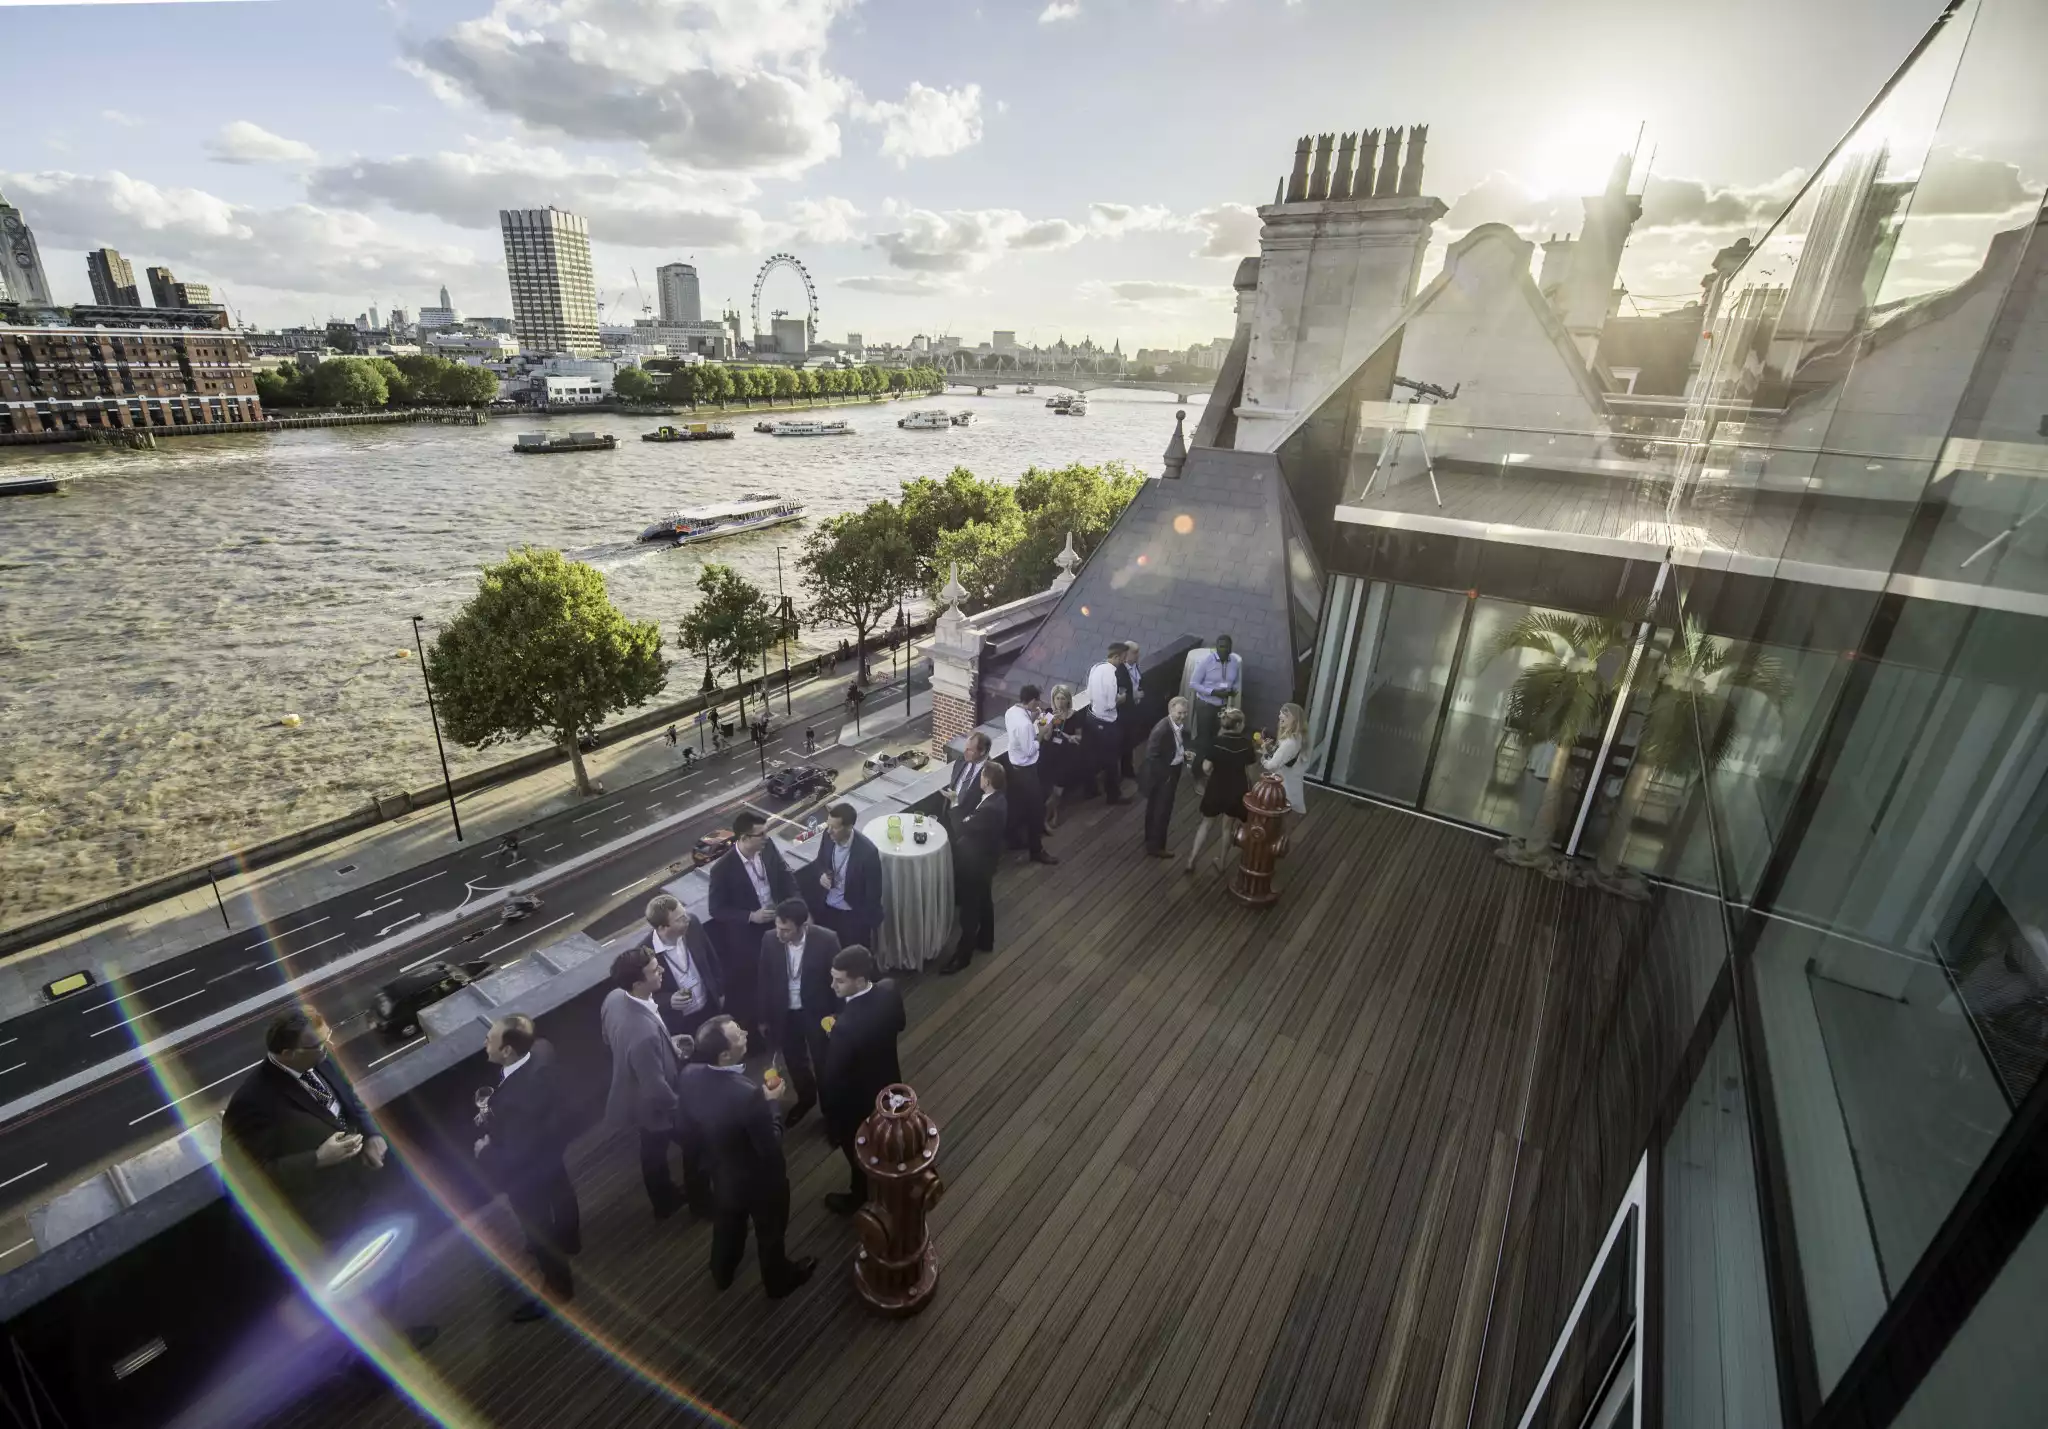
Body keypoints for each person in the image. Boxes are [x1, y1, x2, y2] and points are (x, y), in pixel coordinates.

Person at [221, 1012, 436, 1348]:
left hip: (361, 1190)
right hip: (323, 1215)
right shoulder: (251, 1102)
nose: (330, 1046)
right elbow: (247, 1176)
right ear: (288, 1054)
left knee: (384, 1269)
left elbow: (351, 1101)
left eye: (328, 1036)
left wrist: (372, 1135)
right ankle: (366, 1362)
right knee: (352, 1292)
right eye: (319, 1043)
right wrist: (317, 1159)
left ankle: (388, 1341)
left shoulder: (320, 1060)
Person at [678, 1017, 818, 1300]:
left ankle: (721, 1271)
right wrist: (772, 1103)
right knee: (770, 1232)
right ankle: (778, 1282)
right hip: (760, 1181)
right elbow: (771, 1144)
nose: (745, 1033)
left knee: (728, 1223)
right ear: (724, 1055)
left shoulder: (689, 1073)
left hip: (723, 1170)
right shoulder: (747, 1096)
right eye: (738, 1035)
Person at [473, 1015, 581, 1322]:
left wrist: (486, 1150)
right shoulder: (542, 1051)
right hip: (550, 1147)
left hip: (528, 1172)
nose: (485, 1044)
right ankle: (571, 1239)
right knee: (561, 1190)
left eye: (490, 1040)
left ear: (507, 1051)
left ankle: (559, 1290)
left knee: (538, 1230)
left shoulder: (515, 1097)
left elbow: (516, 1153)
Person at [600, 946, 709, 1220]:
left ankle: (664, 1201)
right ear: (638, 983)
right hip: (655, 1105)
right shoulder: (644, 1034)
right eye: (654, 969)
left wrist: (664, 1049)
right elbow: (656, 1087)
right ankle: (701, 1203)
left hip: (632, 1097)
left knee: (652, 1149)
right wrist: (681, 1113)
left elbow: (609, 1039)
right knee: (697, 1145)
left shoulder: (613, 999)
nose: (661, 970)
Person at [819, 947, 905, 1215]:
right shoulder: (889, 990)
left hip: (855, 1103)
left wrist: (832, 1122)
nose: (832, 985)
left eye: (839, 980)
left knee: (858, 1151)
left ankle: (861, 1195)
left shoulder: (844, 1028)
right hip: (888, 1084)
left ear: (858, 980)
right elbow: (900, 1024)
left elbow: (833, 1078)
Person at [753, 897, 842, 1128]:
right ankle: (806, 1098)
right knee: (794, 1062)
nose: (780, 934)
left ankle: (831, 1113)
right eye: (777, 927)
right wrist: (763, 1017)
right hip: (784, 1014)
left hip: (817, 1013)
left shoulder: (827, 939)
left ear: (803, 926)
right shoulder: (769, 939)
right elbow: (763, 979)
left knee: (823, 1064)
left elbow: (837, 980)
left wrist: (837, 1015)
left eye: (786, 930)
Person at [706, 810, 795, 1032]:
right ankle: (765, 1024)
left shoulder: (768, 848)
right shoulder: (722, 869)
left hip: (778, 922)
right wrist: (750, 917)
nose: (766, 836)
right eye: (761, 834)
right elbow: (716, 909)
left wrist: (797, 908)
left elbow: (785, 875)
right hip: (750, 937)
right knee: (760, 981)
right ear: (744, 838)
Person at [938, 763, 1008, 974]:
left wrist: (954, 804)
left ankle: (963, 956)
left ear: (986, 781)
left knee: (969, 912)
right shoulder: (999, 799)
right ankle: (986, 940)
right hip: (987, 862)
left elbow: (961, 828)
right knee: (984, 900)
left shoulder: (989, 808)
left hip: (976, 865)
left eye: (982, 777)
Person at [1186, 706, 1256, 875]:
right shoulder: (1246, 745)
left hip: (1217, 786)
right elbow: (1251, 772)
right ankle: (1222, 862)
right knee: (1227, 827)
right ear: (1238, 725)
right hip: (1236, 789)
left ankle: (1191, 860)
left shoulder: (1216, 742)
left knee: (1206, 823)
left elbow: (1206, 767)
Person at [806, 802, 884, 951]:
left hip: (852, 914)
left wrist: (864, 920)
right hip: (826, 907)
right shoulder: (827, 836)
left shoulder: (868, 853)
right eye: (828, 825)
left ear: (849, 827)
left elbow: (873, 893)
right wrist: (821, 874)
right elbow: (820, 862)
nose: (829, 831)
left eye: (834, 828)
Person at [643, 893, 722, 1039]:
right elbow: (644, 995)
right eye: (680, 919)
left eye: (684, 914)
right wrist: (669, 1001)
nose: (688, 919)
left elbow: (711, 958)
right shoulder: (644, 953)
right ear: (662, 928)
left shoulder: (693, 925)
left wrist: (720, 992)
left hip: (710, 1007)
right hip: (682, 1023)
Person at [1002, 685, 1058, 865]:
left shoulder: (1011, 712)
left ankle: (1015, 841)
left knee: (1017, 808)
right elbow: (1030, 750)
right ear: (1032, 700)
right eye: (1037, 701)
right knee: (1036, 811)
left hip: (1013, 768)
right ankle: (1036, 850)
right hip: (1026, 771)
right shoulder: (1026, 725)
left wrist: (1034, 719)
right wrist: (1041, 733)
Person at [1139, 697, 1191, 859]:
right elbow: (1151, 755)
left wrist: (1182, 754)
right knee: (1162, 810)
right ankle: (1156, 846)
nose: (1182, 716)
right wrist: (1165, 776)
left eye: (1184, 713)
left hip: (1168, 769)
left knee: (1155, 808)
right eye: (1179, 713)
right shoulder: (1162, 729)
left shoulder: (1174, 725)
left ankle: (1150, 839)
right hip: (1165, 775)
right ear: (1170, 711)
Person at [1084, 643, 1131, 804]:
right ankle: (1113, 795)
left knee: (1094, 758)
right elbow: (1111, 703)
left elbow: (1089, 693)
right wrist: (1122, 698)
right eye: (1124, 658)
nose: (1124, 661)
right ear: (1117, 657)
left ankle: (1091, 790)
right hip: (1107, 723)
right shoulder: (1112, 675)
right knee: (1111, 761)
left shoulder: (1096, 667)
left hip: (1092, 718)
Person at [1188, 635, 1242, 771]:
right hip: (1206, 705)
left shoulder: (1235, 662)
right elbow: (1193, 683)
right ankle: (1196, 771)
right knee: (1204, 740)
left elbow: (1236, 682)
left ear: (1231, 648)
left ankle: (1209, 766)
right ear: (1216, 647)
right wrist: (1213, 692)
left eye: (1226, 647)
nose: (1223, 649)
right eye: (1220, 646)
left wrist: (1232, 691)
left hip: (1222, 706)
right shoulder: (1206, 662)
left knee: (1217, 737)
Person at [1260, 702, 1312, 836]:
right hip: (1291, 781)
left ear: (1294, 719)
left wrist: (1265, 753)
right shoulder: (1298, 737)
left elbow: (1272, 765)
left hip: (1283, 785)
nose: (1280, 715)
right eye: (1280, 713)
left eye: (1285, 714)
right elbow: (1286, 758)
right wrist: (1273, 751)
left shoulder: (1289, 743)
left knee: (1277, 819)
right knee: (1283, 818)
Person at [943, 730, 991, 826]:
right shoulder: (961, 760)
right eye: (965, 748)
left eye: (970, 750)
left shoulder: (991, 772)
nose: (965, 752)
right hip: (949, 818)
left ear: (982, 752)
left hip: (967, 826)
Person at [1118, 643, 1150, 785]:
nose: (1138, 655)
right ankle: (1124, 771)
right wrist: (1134, 695)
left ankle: (1128, 768)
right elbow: (1121, 693)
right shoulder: (1119, 671)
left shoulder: (1135, 666)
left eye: (1138, 652)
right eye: (1135, 653)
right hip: (1124, 714)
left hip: (1134, 711)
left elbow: (1137, 681)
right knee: (1124, 743)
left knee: (1130, 741)